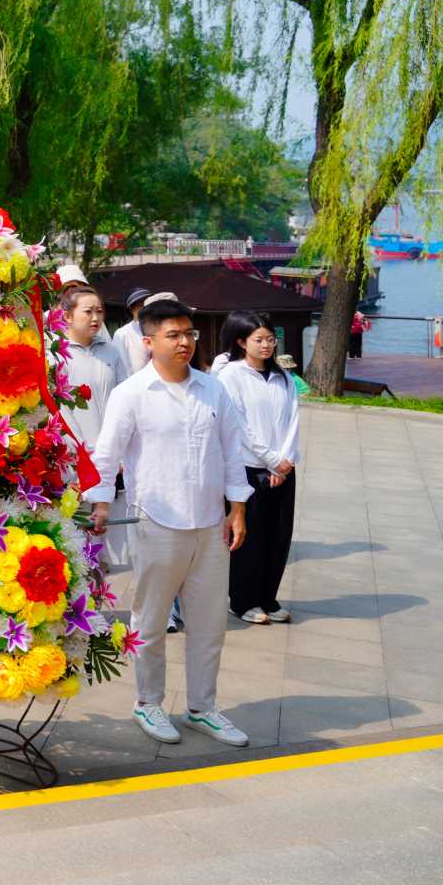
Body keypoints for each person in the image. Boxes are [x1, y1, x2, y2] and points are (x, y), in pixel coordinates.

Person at [86, 298, 253, 749]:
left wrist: (237, 508)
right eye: (173, 335)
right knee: (151, 620)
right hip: (156, 523)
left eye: (189, 334)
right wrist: (100, 504)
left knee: (209, 622)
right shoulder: (132, 393)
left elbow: (232, 450)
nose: (184, 342)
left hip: (210, 524)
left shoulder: (212, 389)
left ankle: (202, 707)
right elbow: (107, 454)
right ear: (148, 342)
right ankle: (148, 702)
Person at [216, 311, 301, 626]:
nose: (266, 345)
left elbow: (293, 419)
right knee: (249, 536)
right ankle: (242, 600)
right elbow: (239, 426)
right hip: (249, 468)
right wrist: (271, 460)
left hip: (283, 469)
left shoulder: (283, 377)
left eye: (270, 339)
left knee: (279, 535)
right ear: (241, 342)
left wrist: (285, 460)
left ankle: (268, 596)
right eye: (259, 340)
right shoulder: (231, 375)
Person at [60, 286, 126, 562]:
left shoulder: (111, 353)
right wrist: (79, 447)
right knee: (71, 533)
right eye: (88, 311)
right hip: (71, 457)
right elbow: (58, 409)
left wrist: (117, 449)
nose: (96, 318)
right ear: (67, 316)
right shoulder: (56, 353)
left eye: (100, 311)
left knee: (104, 534)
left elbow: (124, 400)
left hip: (108, 457)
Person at [111, 288, 155, 375]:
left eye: (147, 305)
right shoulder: (122, 333)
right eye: (140, 305)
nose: (145, 308)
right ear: (131, 309)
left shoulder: (158, 329)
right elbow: (120, 366)